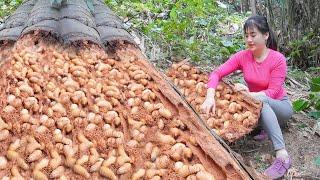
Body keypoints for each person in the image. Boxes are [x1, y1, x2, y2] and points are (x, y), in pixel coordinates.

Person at [200, 15, 293, 179]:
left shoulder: (277, 59)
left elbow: (271, 92)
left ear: (265, 35)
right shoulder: (243, 56)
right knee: (244, 99)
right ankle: (264, 125)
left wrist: (249, 94)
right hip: (257, 105)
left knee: (260, 100)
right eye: (246, 35)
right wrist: (210, 95)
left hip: (280, 106)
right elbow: (216, 73)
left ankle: (282, 155)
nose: (249, 39)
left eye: (253, 34)